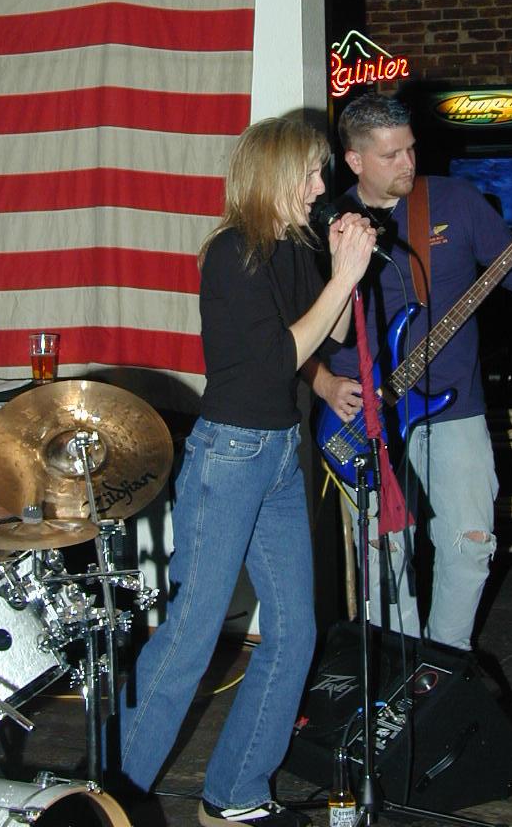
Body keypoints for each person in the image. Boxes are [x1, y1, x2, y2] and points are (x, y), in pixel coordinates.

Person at [118, 117, 377, 827]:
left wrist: (343, 266)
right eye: (311, 174)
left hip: (281, 455)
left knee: (294, 631)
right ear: (275, 175)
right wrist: (342, 278)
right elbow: (272, 361)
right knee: (192, 634)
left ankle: (235, 791)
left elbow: (334, 334)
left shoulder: (294, 246)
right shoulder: (232, 253)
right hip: (229, 457)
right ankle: (109, 796)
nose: (321, 187)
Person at [311, 93, 512, 651]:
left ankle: (446, 662)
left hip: (454, 402)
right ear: (354, 160)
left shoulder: (455, 199)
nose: (408, 162)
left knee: (471, 543)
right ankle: (399, 662)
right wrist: (323, 383)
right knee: (387, 553)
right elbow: (291, 330)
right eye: (391, 155)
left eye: (411, 148)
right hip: (365, 416)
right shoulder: (328, 222)